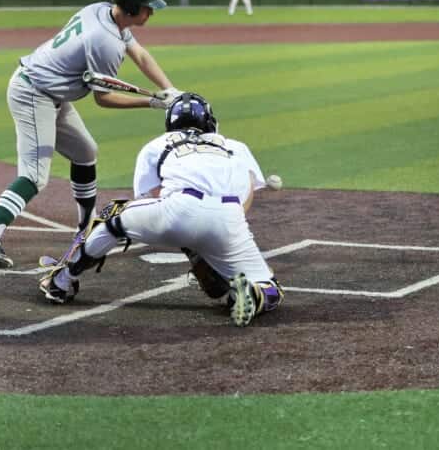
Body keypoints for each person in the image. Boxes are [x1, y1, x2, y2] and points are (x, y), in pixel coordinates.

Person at [0, 0, 182, 269]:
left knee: (85, 152)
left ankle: (87, 227)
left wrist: (169, 89)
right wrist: (151, 102)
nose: (151, 11)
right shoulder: (104, 41)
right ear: (132, 7)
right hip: (33, 92)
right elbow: (103, 98)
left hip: (53, 92)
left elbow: (140, 55)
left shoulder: (102, 11)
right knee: (34, 175)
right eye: (147, 6)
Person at [39, 93, 284, 327]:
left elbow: (144, 198)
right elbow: (246, 195)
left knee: (114, 214)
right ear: (210, 122)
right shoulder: (236, 146)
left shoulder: (158, 144)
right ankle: (254, 293)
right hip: (230, 218)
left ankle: (62, 280)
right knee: (271, 286)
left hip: (178, 210)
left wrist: (188, 240)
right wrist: (212, 246)